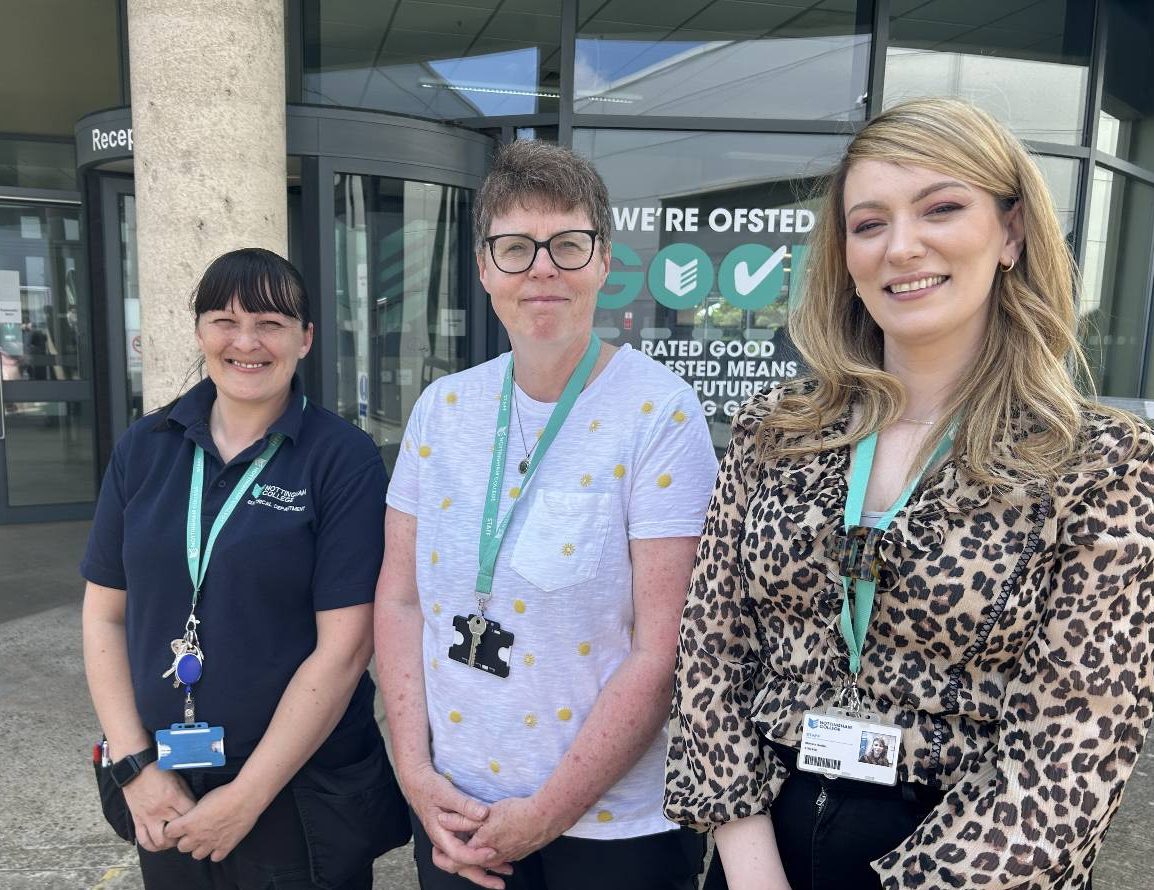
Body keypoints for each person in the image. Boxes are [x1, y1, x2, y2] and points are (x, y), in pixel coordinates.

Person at [664, 97, 1154, 890]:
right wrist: (751, 867)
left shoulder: (1099, 465)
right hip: (763, 838)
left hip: (973, 860)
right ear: (845, 255)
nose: (901, 246)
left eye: (942, 208)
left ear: (1013, 232)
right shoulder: (774, 431)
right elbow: (713, 651)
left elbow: (1071, 751)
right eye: (868, 223)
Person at [375, 139, 718, 890]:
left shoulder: (660, 415)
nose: (542, 269)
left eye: (567, 245)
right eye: (516, 247)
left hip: (610, 830)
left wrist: (544, 816)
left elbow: (664, 650)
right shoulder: (441, 411)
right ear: (483, 266)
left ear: (602, 261)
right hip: (454, 808)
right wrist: (414, 774)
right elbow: (399, 600)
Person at [81, 248, 409, 889]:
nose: (246, 342)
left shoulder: (342, 459)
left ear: (306, 338)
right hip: (165, 784)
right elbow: (103, 613)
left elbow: (344, 651)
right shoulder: (144, 449)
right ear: (200, 332)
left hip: (295, 793)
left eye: (270, 322)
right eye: (224, 320)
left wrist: (247, 797)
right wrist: (134, 764)